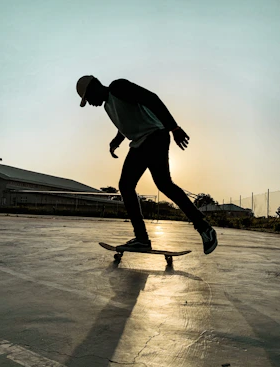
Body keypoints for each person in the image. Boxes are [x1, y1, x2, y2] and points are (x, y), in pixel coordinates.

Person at [76, 75, 218, 254]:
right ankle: (142, 239)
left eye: (88, 98)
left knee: (162, 184)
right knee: (127, 186)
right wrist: (116, 140)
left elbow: (151, 98)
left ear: (94, 87)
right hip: (140, 142)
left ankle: (204, 228)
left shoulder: (117, 87)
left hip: (154, 136)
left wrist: (174, 128)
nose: (90, 103)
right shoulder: (108, 106)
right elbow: (126, 122)